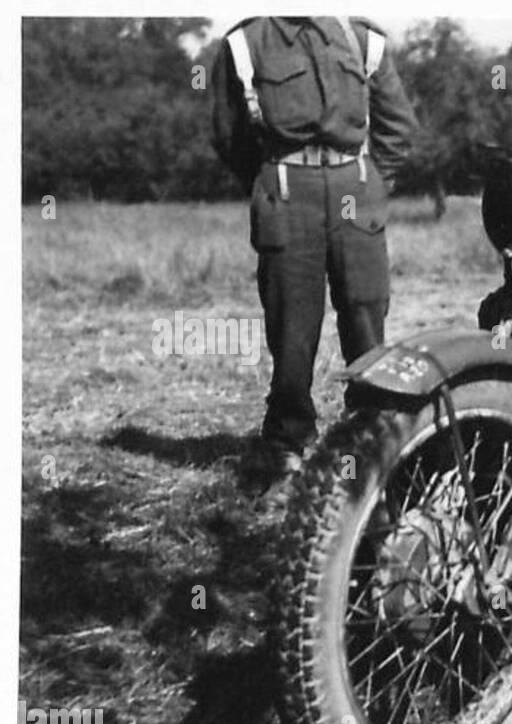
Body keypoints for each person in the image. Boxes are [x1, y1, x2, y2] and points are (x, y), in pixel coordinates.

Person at [211, 16, 418, 492]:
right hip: (287, 191)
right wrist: (270, 183)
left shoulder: (363, 38)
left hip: (355, 187)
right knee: (292, 328)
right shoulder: (245, 43)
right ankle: (287, 444)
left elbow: (398, 125)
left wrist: (371, 186)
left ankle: (370, 438)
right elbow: (229, 135)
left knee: (367, 319)